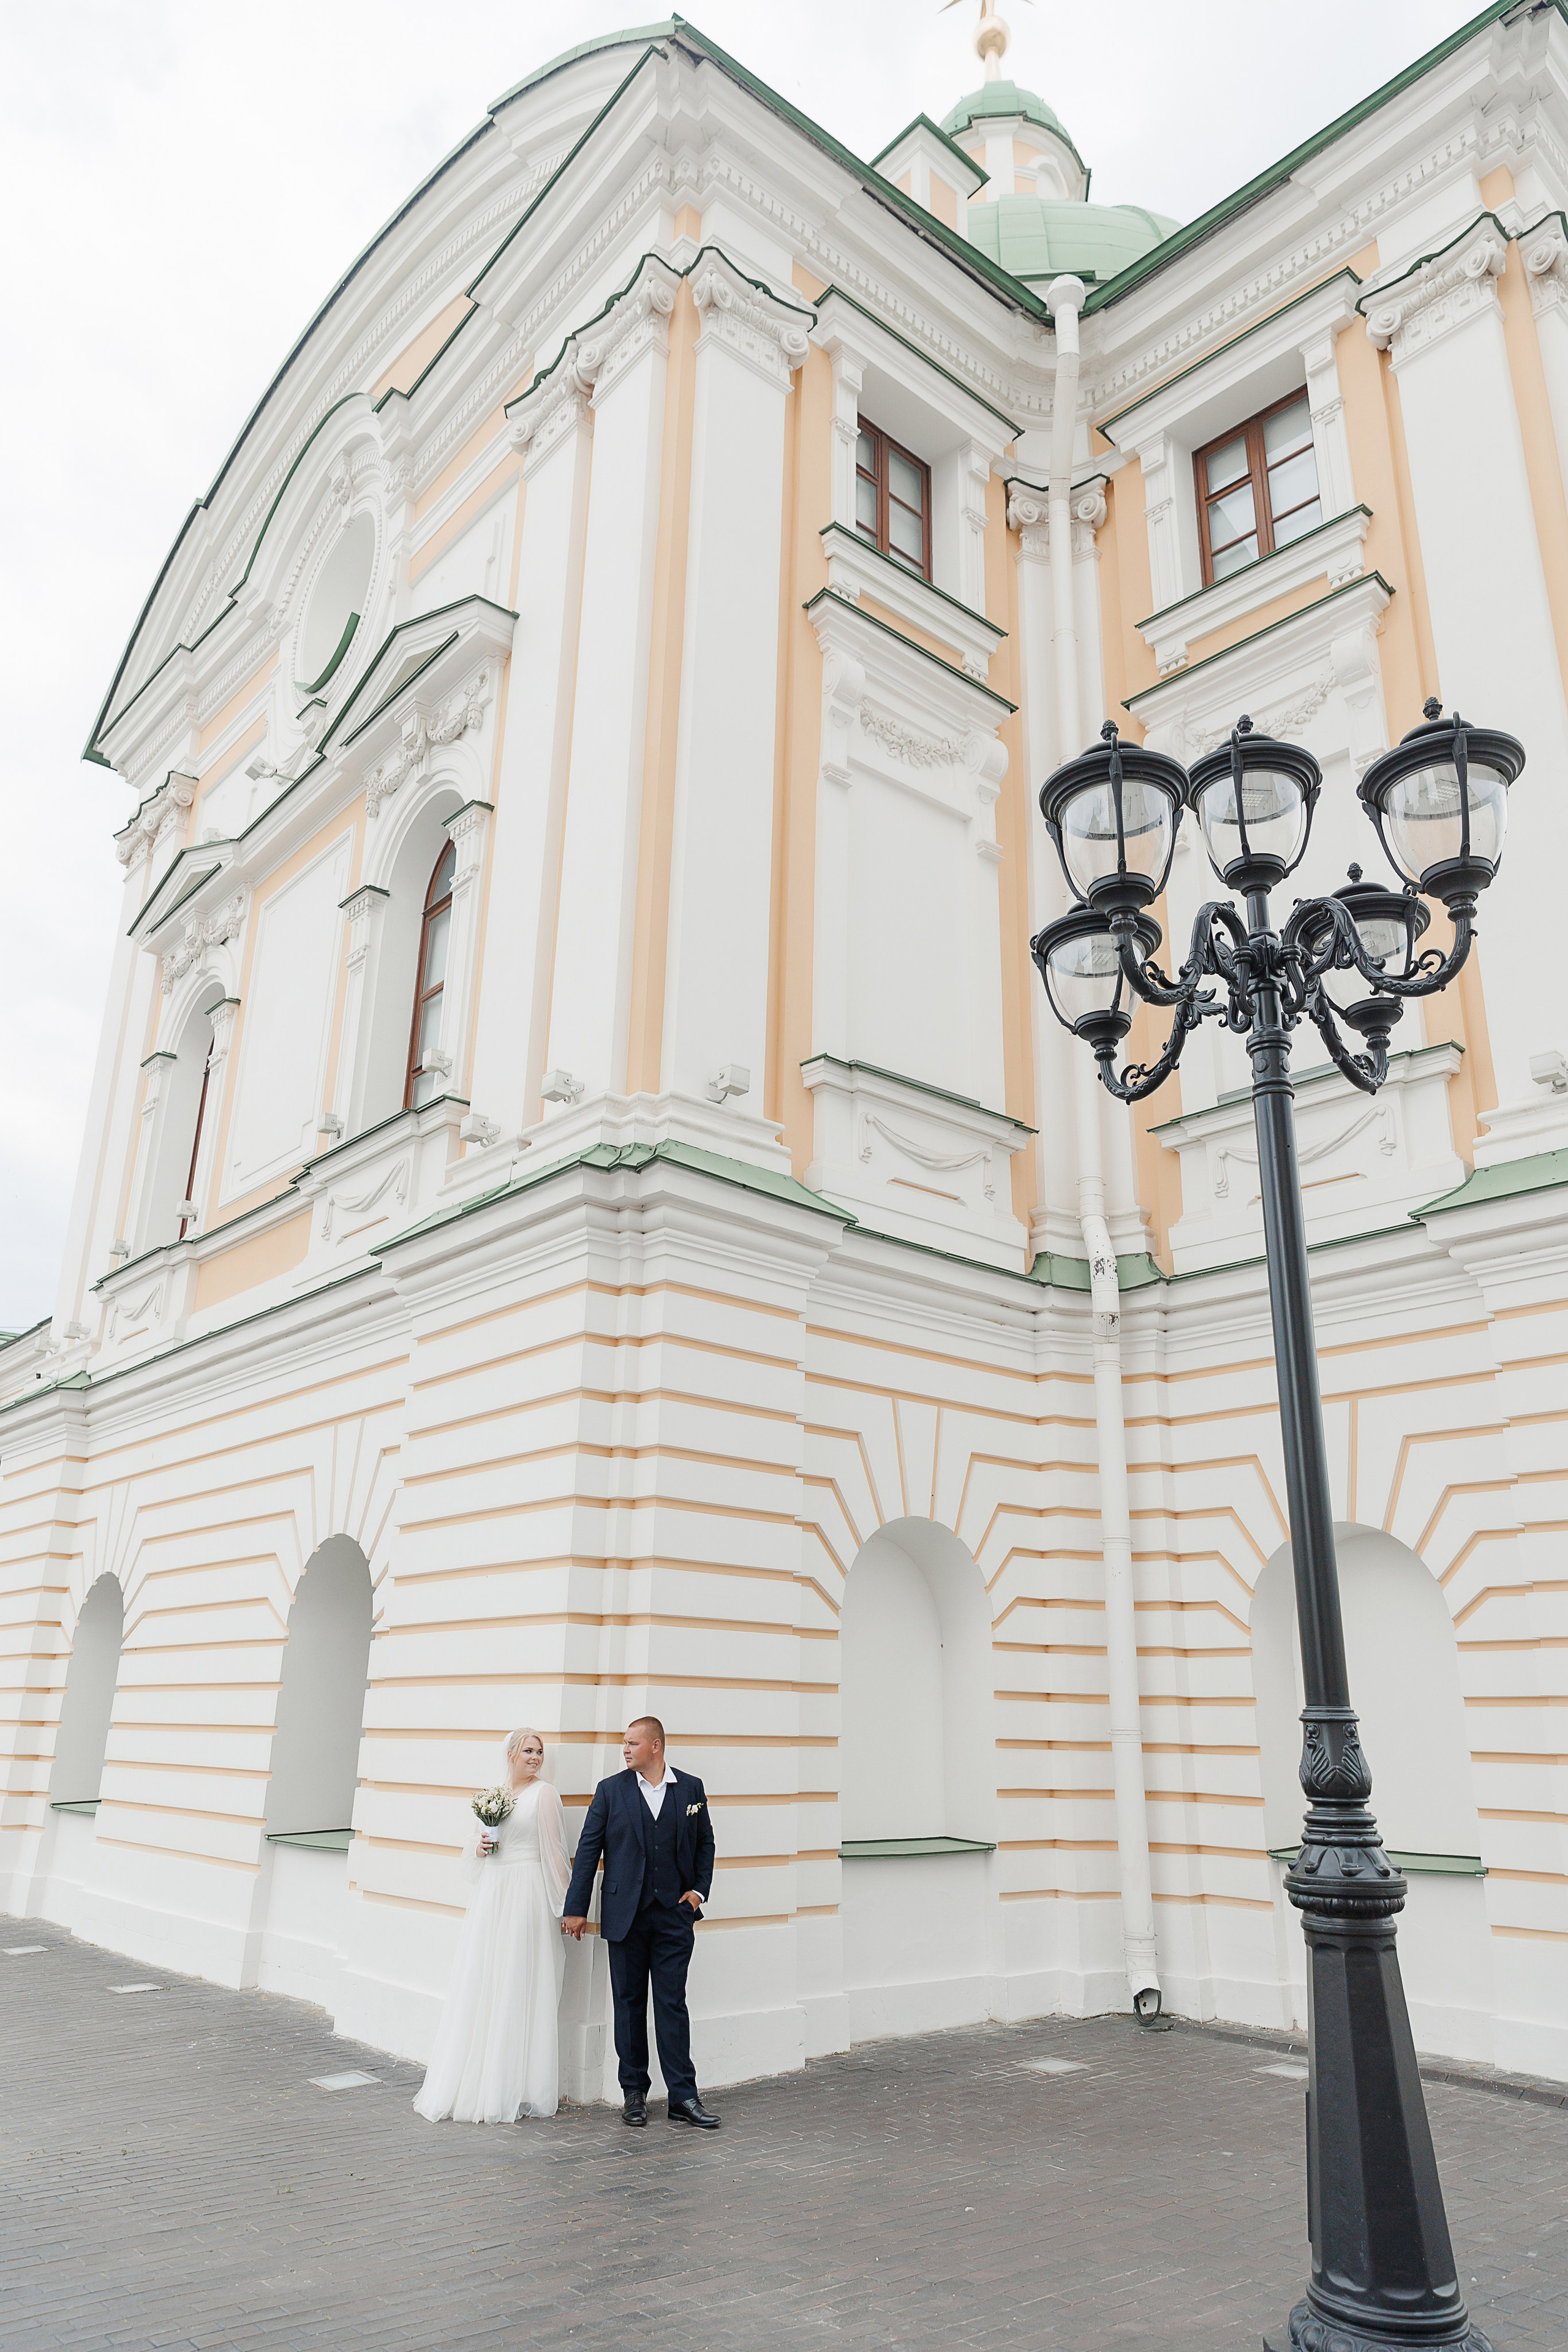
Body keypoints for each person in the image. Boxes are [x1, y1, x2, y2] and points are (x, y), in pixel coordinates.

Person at [562, 1716, 720, 2129]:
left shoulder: (690, 1788)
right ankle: (634, 2094)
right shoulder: (611, 1790)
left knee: (672, 2004)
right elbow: (588, 1849)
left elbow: (706, 1842)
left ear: (656, 1746)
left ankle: (684, 2097)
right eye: (624, 1744)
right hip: (624, 1915)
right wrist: (576, 1908)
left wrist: (698, 1892)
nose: (626, 1750)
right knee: (628, 2005)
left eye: (633, 1743)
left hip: (673, 1915)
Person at [413, 1727, 571, 2124]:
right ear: (511, 1754)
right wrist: (480, 1847)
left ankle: (519, 2082)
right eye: (528, 1751)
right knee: (486, 1977)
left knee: (518, 1978)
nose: (535, 1758)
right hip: (493, 1893)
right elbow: (475, 1845)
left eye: (540, 1752)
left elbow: (555, 1852)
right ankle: (480, 2077)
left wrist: (567, 1905)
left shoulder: (545, 1794)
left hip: (526, 1894)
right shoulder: (493, 1795)